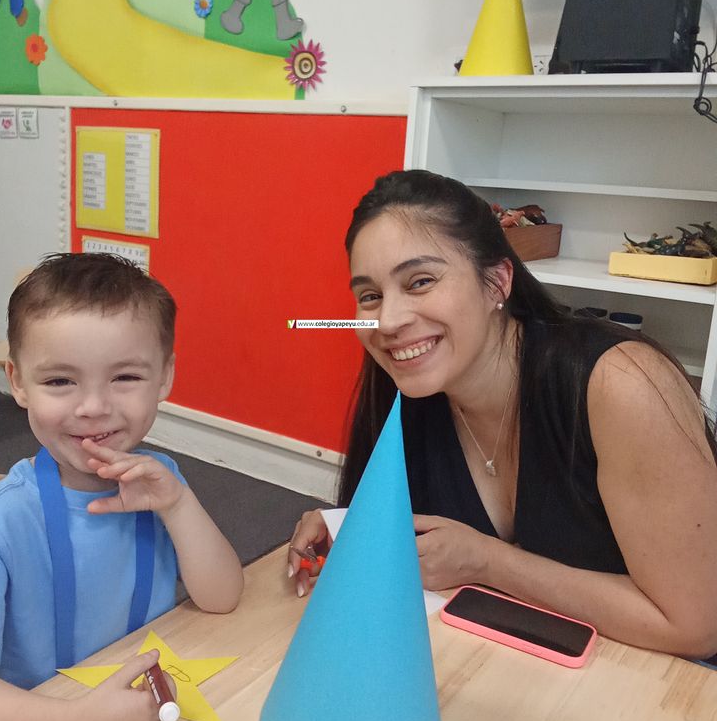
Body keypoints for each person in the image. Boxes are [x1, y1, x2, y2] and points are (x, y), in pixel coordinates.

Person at [289, 170, 717, 660]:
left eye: (421, 281)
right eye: (370, 296)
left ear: (497, 281)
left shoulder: (619, 382)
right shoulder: (407, 391)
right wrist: (352, 527)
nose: (388, 321)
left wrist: (488, 562)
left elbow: (695, 627)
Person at [0, 253, 243, 721]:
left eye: (124, 377)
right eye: (59, 381)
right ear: (17, 382)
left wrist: (178, 505)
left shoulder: (159, 482)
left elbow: (222, 597)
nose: (93, 407)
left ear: (165, 377)